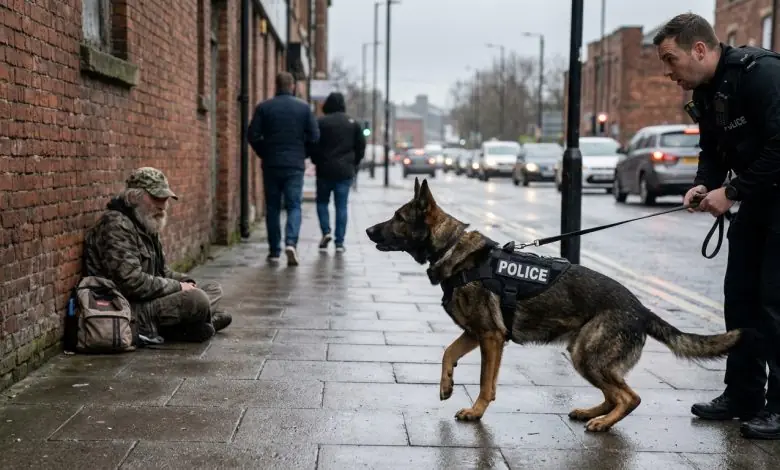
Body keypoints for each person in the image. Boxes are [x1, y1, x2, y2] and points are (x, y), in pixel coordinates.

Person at [653, 13, 780, 440]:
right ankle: (744, 395)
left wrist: (734, 191)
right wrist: (704, 184)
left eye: (670, 59)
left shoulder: (761, 74)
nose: (667, 72)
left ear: (699, 49)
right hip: (758, 201)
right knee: (740, 299)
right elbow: (712, 148)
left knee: (774, 303)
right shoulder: (707, 92)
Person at [83, 167, 232, 344]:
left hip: (150, 299)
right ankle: (183, 326)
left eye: (165, 198)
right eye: (156, 198)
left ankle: (194, 326)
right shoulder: (116, 225)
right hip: (128, 308)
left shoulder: (146, 222)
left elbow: (163, 272)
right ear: (134, 197)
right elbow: (131, 283)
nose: (162, 205)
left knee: (213, 289)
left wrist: (186, 281)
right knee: (198, 300)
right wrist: (178, 287)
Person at [248, 72, 320, 266]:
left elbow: (252, 135)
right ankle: (291, 243)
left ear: (276, 85)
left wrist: (265, 152)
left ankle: (274, 251)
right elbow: (315, 137)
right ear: (293, 86)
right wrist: (303, 153)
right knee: (294, 205)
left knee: (272, 207)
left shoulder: (264, 107)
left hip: (271, 164)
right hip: (294, 165)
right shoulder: (304, 108)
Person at [310, 92, 366, 253]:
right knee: (341, 206)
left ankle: (326, 231)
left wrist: (316, 160)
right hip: (345, 171)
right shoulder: (352, 123)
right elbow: (361, 147)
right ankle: (339, 242)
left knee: (322, 202)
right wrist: (354, 164)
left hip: (324, 170)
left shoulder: (321, 122)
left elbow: (313, 144)